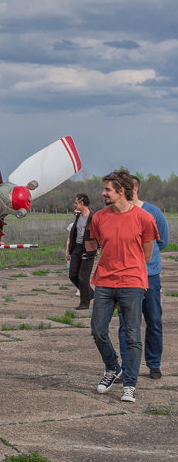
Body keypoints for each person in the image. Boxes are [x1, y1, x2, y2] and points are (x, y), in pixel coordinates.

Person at [88, 170, 159, 403]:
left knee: (132, 335)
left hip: (132, 282)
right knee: (98, 330)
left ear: (122, 191)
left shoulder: (144, 218)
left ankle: (130, 384)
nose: (103, 193)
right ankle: (112, 367)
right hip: (105, 281)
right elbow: (102, 244)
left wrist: (132, 273)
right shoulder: (99, 217)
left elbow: (147, 254)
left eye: (108, 189)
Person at [117, 175, 169, 379]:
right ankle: (127, 367)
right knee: (127, 324)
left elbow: (162, 242)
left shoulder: (153, 212)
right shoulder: (118, 214)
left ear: (134, 190)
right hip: (126, 277)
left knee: (154, 320)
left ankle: (154, 363)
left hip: (150, 276)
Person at [65, 193, 97, 310]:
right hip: (77, 247)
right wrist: (69, 249)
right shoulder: (78, 216)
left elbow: (98, 234)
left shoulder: (93, 217)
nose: (75, 204)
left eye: (76, 202)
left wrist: (95, 248)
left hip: (88, 248)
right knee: (73, 275)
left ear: (82, 203)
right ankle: (90, 293)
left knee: (83, 277)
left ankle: (84, 303)